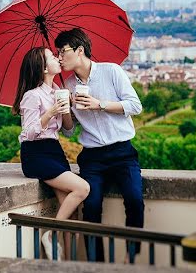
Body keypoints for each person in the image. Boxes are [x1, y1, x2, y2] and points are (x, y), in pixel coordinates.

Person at [55, 27, 144, 262]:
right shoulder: (67, 85)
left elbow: (135, 106)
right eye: (57, 53)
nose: (59, 57)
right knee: (91, 207)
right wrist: (65, 110)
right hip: (92, 156)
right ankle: (97, 263)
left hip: (122, 151)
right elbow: (70, 129)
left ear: (80, 50)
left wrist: (99, 104)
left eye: (63, 52)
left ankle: (130, 258)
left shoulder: (111, 71)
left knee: (135, 199)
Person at [14, 46, 90, 260]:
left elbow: (67, 128)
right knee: (82, 188)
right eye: (52, 57)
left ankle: (67, 262)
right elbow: (29, 133)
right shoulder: (32, 96)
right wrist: (50, 112)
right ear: (43, 67)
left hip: (54, 150)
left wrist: (68, 109)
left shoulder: (57, 90)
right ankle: (51, 232)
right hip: (36, 153)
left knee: (73, 213)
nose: (58, 58)